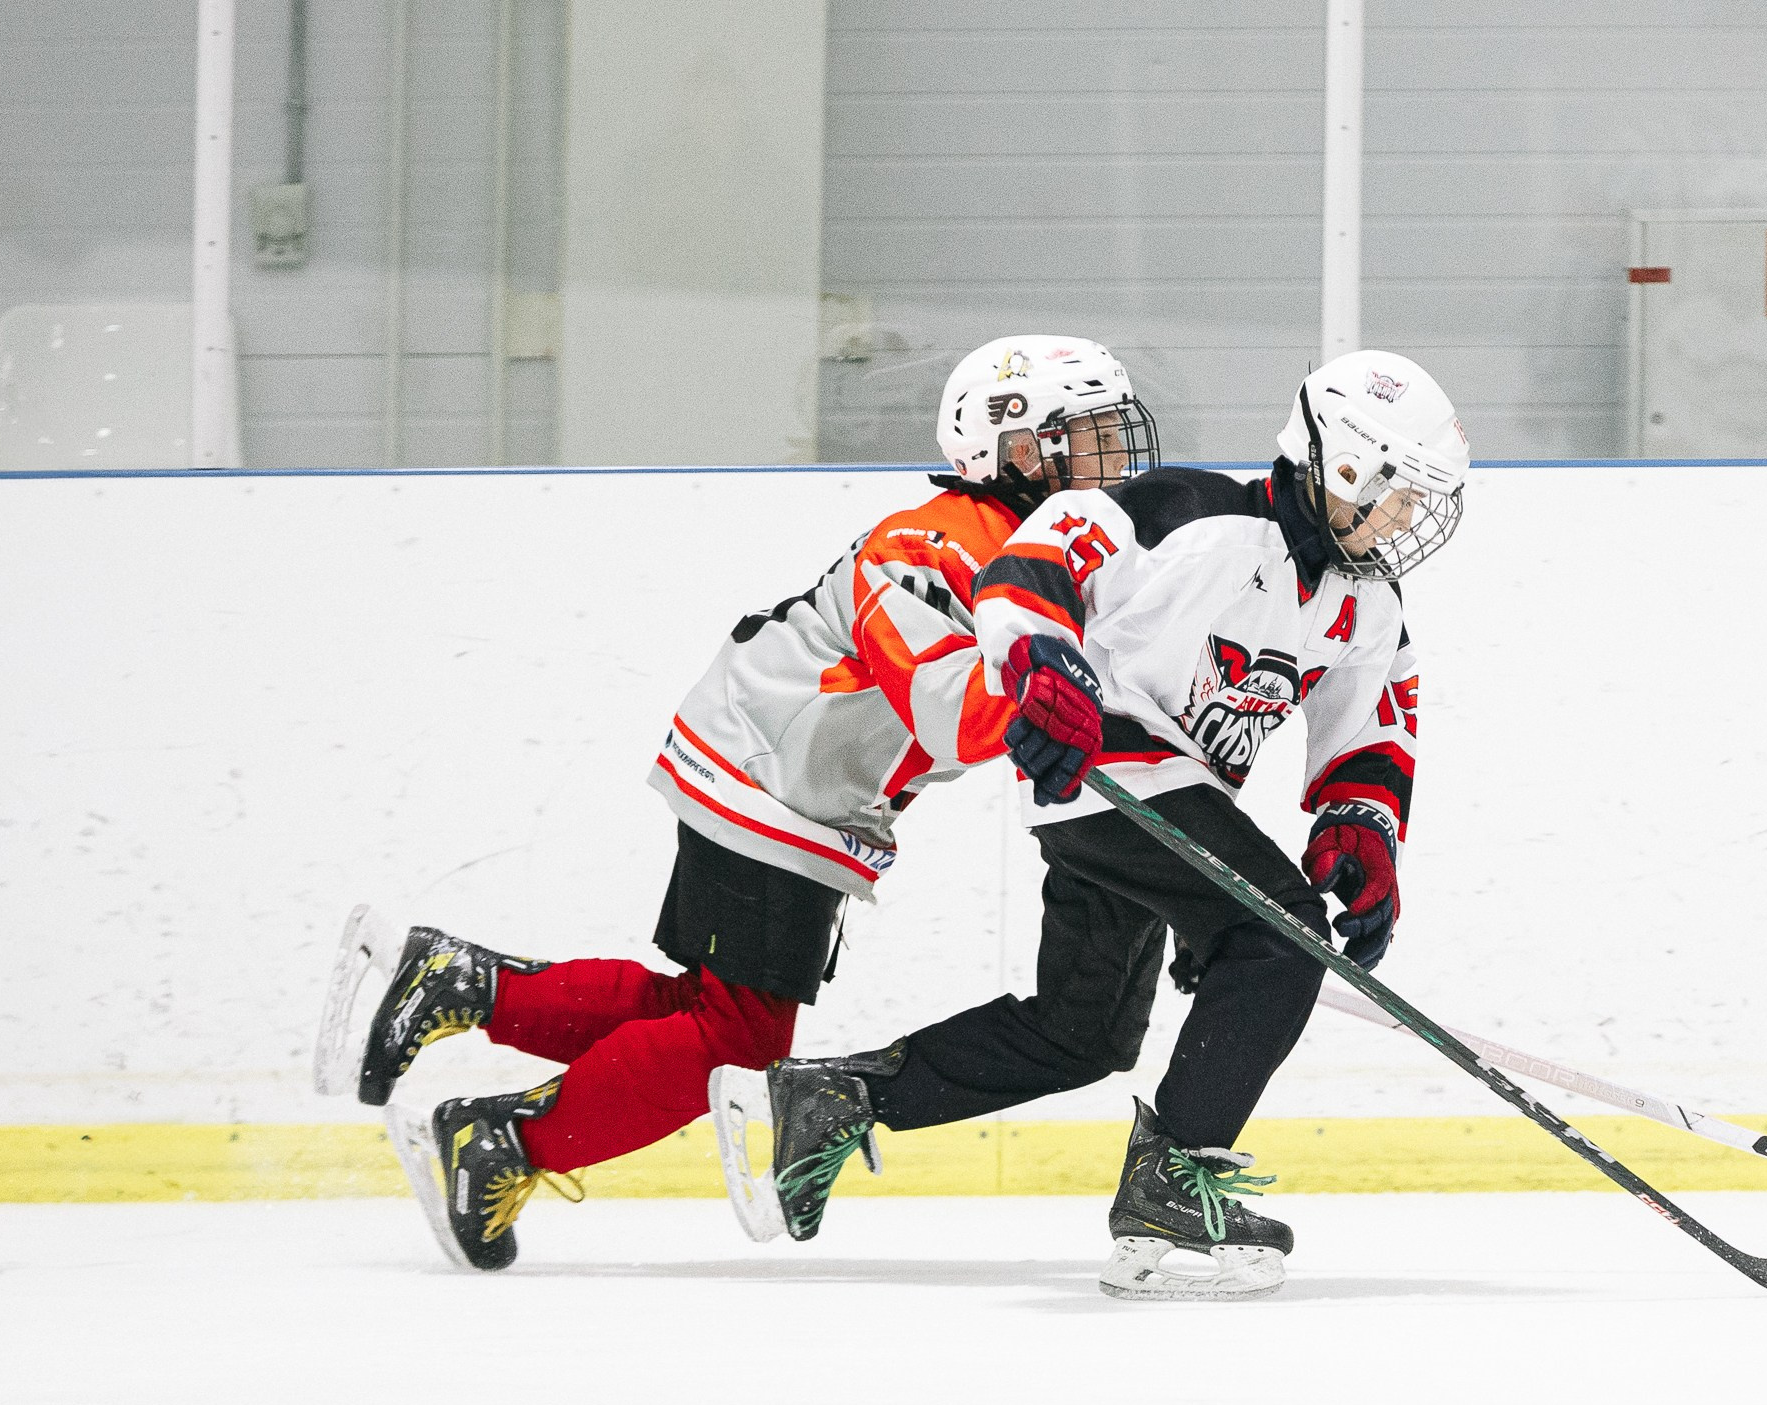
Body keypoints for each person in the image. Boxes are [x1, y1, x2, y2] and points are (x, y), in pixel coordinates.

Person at [320, 337, 1158, 1271]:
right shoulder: (934, 544)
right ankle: (503, 1141)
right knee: (736, 1038)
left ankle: (461, 983)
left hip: (788, 775)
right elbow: (950, 706)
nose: (1110, 460)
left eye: (1110, 434)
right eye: (1087, 436)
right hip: (771, 772)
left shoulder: (1022, 546)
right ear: (1014, 449)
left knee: (708, 1008)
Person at [736, 349, 1468, 1299]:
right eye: (1401, 494)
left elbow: (1372, 726)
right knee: (1279, 936)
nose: (1408, 518)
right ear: (1349, 464)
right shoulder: (1195, 515)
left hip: (1156, 798)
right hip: (1103, 763)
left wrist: (1362, 825)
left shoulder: (1365, 602)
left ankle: (838, 1095)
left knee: (1083, 1032)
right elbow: (1031, 563)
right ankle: (1173, 1180)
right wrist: (1041, 660)